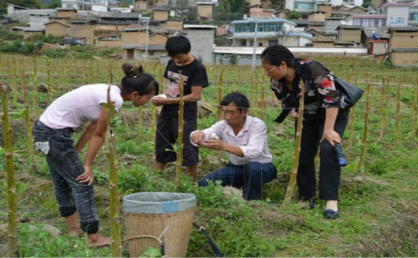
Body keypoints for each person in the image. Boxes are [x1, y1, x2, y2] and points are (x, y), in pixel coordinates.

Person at [32, 64, 158, 247]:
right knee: (83, 183)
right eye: (149, 97)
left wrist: (74, 152)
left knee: (62, 182)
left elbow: (92, 127)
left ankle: (75, 229)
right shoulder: (114, 100)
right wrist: (88, 165)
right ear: (135, 95)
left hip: (45, 131)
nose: (149, 101)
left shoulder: (109, 91)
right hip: (54, 134)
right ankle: (93, 237)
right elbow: (99, 134)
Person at [261, 45, 348, 219]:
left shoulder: (313, 69)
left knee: (327, 148)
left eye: (268, 69)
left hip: (331, 114)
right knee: (303, 154)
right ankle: (306, 197)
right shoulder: (276, 82)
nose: (266, 73)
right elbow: (286, 101)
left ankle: (331, 200)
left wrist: (329, 129)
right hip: (307, 116)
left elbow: (332, 99)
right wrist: (293, 110)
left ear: (283, 65)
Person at [190, 92, 277, 201]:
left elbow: (254, 151)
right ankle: (239, 188)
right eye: (224, 112)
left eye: (231, 113)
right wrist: (198, 134)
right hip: (236, 168)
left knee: (253, 169)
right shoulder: (222, 125)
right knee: (204, 184)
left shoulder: (257, 125)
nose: (227, 117)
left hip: (262, 167)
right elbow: (208, 131)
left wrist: (224, 146)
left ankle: (253, 201)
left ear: (244, 112)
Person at [152, 35, 209, 177]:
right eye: (173, 57)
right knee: (162, 141)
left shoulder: (197, 68)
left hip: (185, 112)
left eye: (179, 57)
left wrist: (166, 101)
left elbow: (195, 96)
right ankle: (156, 175)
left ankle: (189, 180)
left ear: (186, 51)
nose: (176, 60)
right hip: (167, 110)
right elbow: (171, 86)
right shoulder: (172, 63)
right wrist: (164, 97)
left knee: (187, 144)